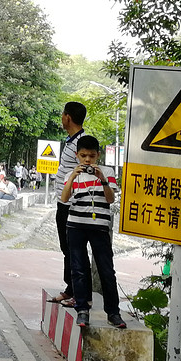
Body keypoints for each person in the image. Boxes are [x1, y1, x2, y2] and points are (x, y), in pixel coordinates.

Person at [60, 135, 126, 329]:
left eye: (91, 156)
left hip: (99, 227)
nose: (87, 160)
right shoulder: (72, 174)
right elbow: (64, 199)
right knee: (78, 269)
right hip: (75, 225)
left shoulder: (107, 171)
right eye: (83, 156)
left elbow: (110, 199)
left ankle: (113, 312)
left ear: (98, 155)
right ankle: (82, 310)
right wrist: (73, 176)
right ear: (77, 155)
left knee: (107, 270)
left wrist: (103, 180)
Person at [48, 101, 87, 307]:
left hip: (72, 204)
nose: (62, 118)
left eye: (63, 115)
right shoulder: (71, 141)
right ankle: (70, 288)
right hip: (63, 202)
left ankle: (80, 294)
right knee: (67, 247)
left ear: (68, 118)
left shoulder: (82, 143)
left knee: (75, 248)